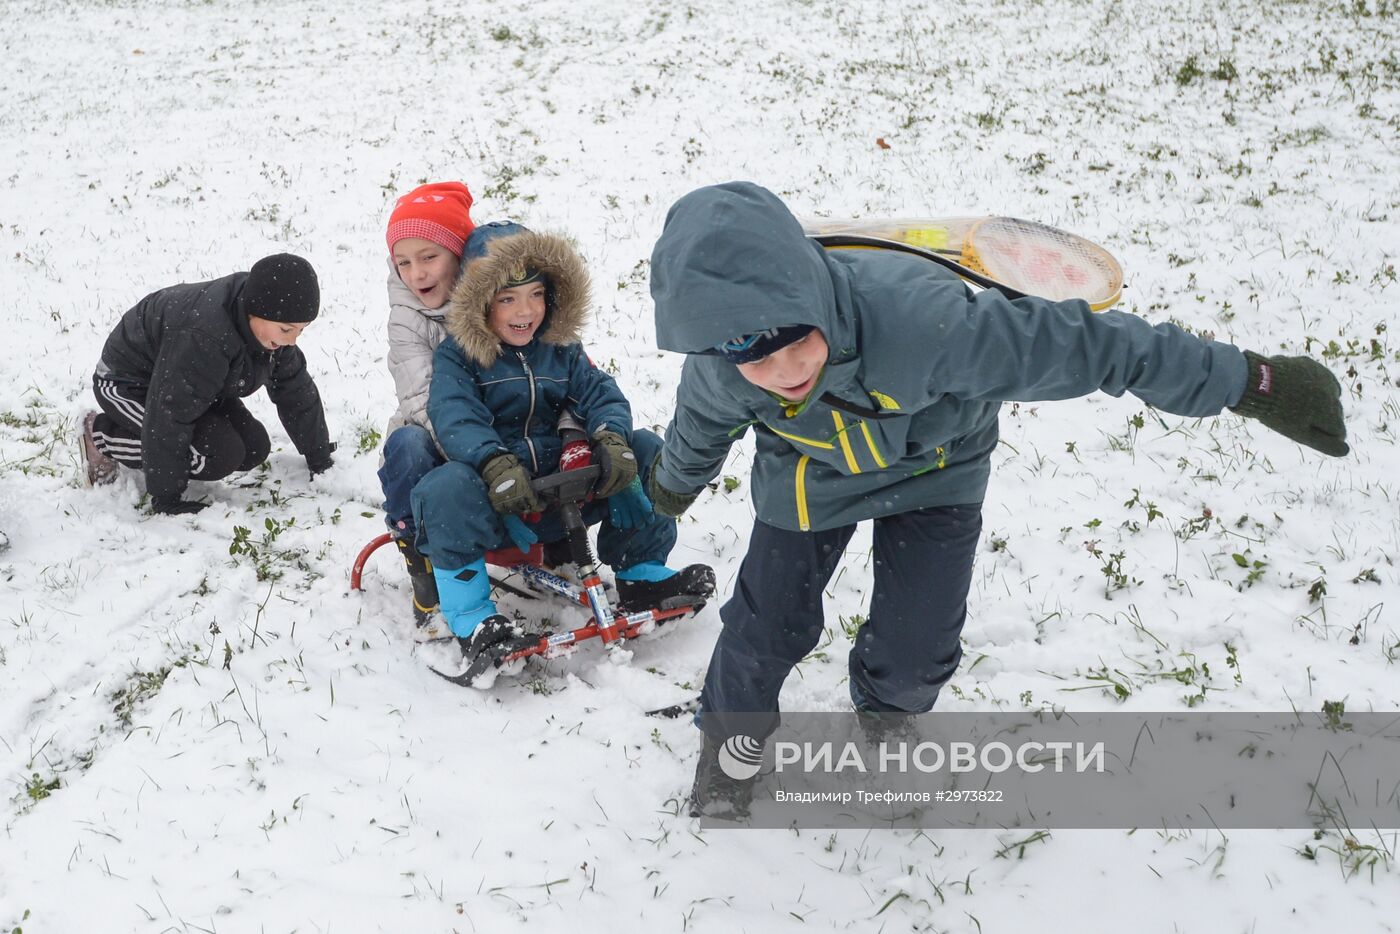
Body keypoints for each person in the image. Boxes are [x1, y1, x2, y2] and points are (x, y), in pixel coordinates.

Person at [643, 181, 1350, 819]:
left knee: (918, 650)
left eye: (796, 341)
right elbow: (698, 430)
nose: (782, 370)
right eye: (754, 358)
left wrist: (1251, 381)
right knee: (765, 626)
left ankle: (888, 721)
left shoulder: (932, 327)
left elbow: (1100, 348)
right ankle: (730, 747)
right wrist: (673, 485)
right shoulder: (723, 371)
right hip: (810, 473)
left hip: (938, 466)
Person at [411, 223, 715, 678]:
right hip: (502, 502)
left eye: (535, 295)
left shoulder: (562, 350)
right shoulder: (460, 357)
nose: (525, 311)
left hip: (566, 489)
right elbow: (455, 414)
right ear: (479, 302)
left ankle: (642, 574)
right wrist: (493, 462)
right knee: (445, 486)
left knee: (645, 447)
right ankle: (474, 620)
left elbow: (600, 393)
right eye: (507, 299)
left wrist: (611, 437)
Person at [80, 253, 335, 514]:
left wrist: (318, 456)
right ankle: (100, 435)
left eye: (300, 331)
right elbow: (168, 415)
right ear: (257, 310)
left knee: (253, 448)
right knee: (218, 456)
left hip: (189, 382)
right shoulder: (206, 336)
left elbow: (295, 390)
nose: (292, 341)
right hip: (128, 384)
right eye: (286, 330)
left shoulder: (269, 324)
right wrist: (167, 498)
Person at [377, 181, 476, 625]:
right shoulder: (406, 320)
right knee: (407, 447)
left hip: (496, 431)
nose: (416, 274)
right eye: (404, 262)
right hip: (435, 432)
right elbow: (419, 399)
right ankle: (420, 556)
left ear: (458, 254)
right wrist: (477, 451)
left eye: (429, 257)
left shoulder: (497, 302)